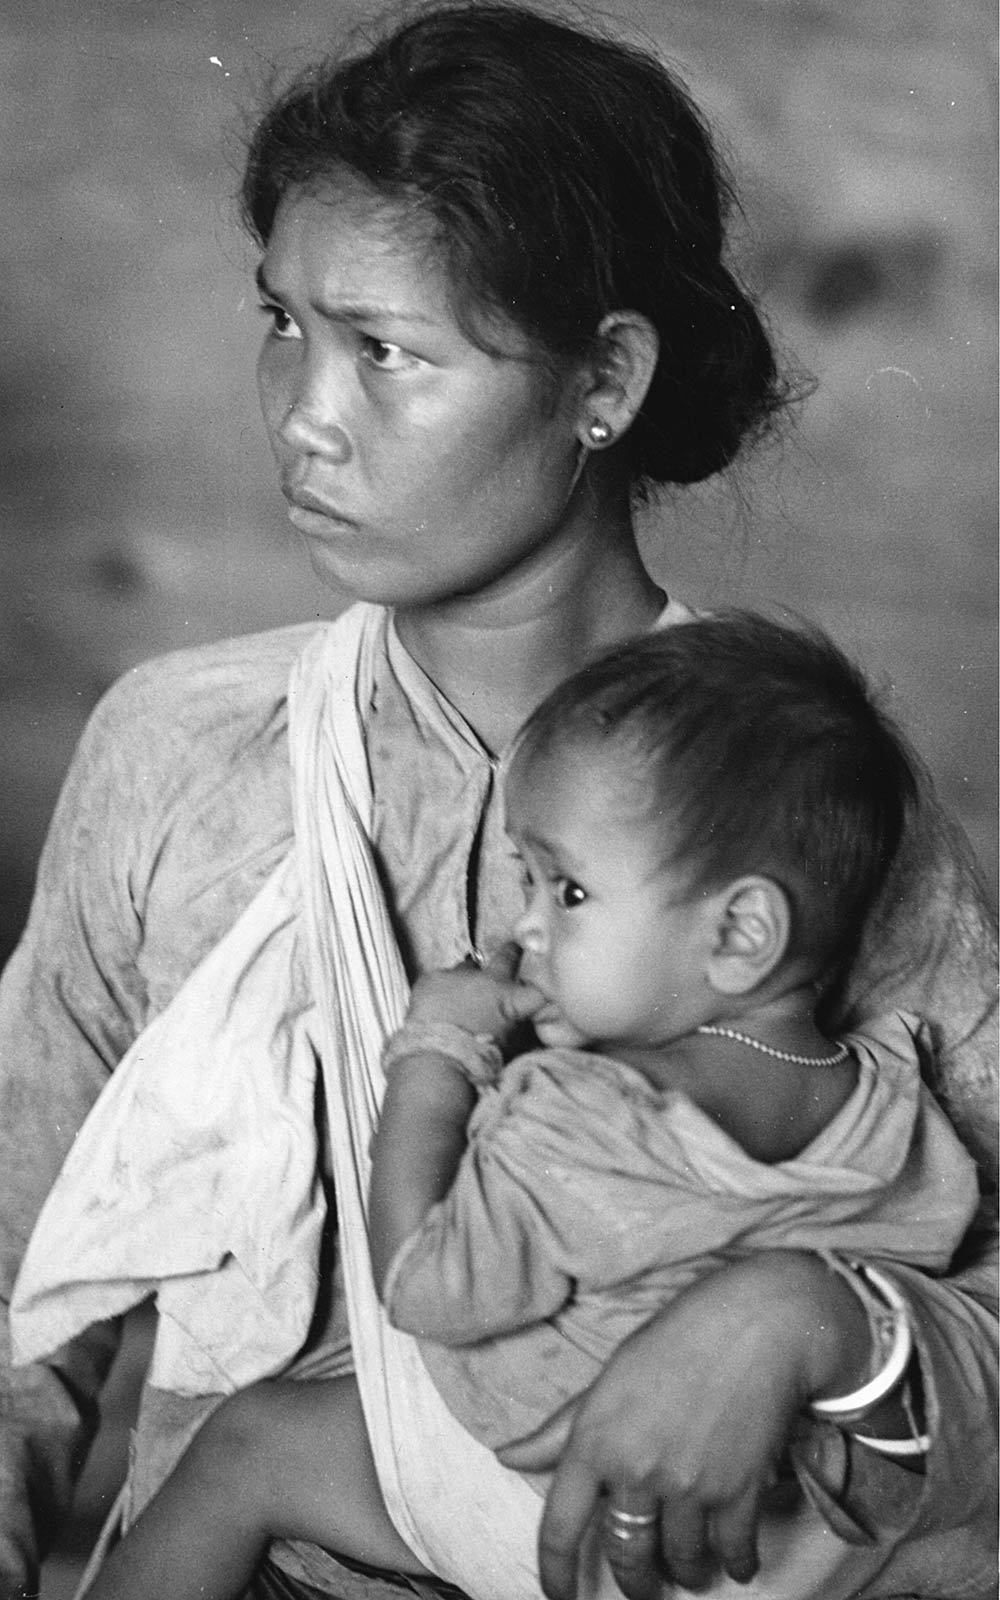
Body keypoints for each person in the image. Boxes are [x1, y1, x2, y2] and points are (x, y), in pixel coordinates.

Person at [0, 4, 995, 1600]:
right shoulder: (187, 755)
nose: (304, 415)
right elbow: (16, 1292)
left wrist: (807, 1317)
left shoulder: (811, 811)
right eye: (282, 325)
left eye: (385, 350)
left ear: (603, 378)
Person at [68, 612, 982, 1600]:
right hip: (789, 1531)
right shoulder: (893, 1099)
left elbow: (419, 1280)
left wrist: (434, 1055)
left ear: (742, 932)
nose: (529, 926)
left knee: (251, 1443)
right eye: (527, 879)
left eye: (569, 891)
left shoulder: (585, 1109)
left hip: (563, 1509)